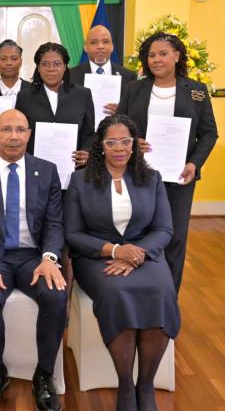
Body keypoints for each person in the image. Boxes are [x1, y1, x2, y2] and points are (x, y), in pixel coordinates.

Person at [64, 115, 180, 411]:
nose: (119, 148)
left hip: (145, 254)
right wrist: (116, 251)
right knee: (117, 293)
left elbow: (164, 229)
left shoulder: (151, 178)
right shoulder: (80, 180)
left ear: (134, 145)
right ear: (100, 146)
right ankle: (126, 386)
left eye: (125, 141)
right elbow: (73, 234)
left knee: (161, 291)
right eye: (111, 142)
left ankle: (146, 385)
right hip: (97, 256)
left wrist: (135, 253)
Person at [0, 109, 67, 411]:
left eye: (20, 130)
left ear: (29, 134)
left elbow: (55, 223)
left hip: (34, 257)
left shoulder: (46, 170)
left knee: (57, 297)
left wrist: (49, 258)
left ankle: (44, 374)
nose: (13, 136)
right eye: (6, 129)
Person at [117, 32, 218, 292]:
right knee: (137, 231)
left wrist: (195, 163)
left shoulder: (196, 91)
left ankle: (168, 295)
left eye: (163, 54)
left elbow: (209, 132)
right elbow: (118, 126)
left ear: (177, 56)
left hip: (179, 177)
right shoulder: (134, 89)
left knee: (174, 237)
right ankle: (138, 288)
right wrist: (131, 141)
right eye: (152, 55)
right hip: (138, 174)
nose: (157, 59)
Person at [15, 42, 95, 168]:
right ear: (38, 68)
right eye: (45, 64)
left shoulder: (83, 94)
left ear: (65, 66)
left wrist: (87, 152)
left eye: (57, 64)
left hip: (73, 170)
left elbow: (89, 134)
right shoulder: (24, 97)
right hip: (33, 170)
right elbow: (19, 132)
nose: (51, 68)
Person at [69, 24, 137, 114]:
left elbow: (135, 112)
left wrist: (121, 111)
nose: (100, 46)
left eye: (105, 42)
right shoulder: (70, 76)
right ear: (85, 47)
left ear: (112, 46)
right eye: (94, 42)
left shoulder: (129, 77)